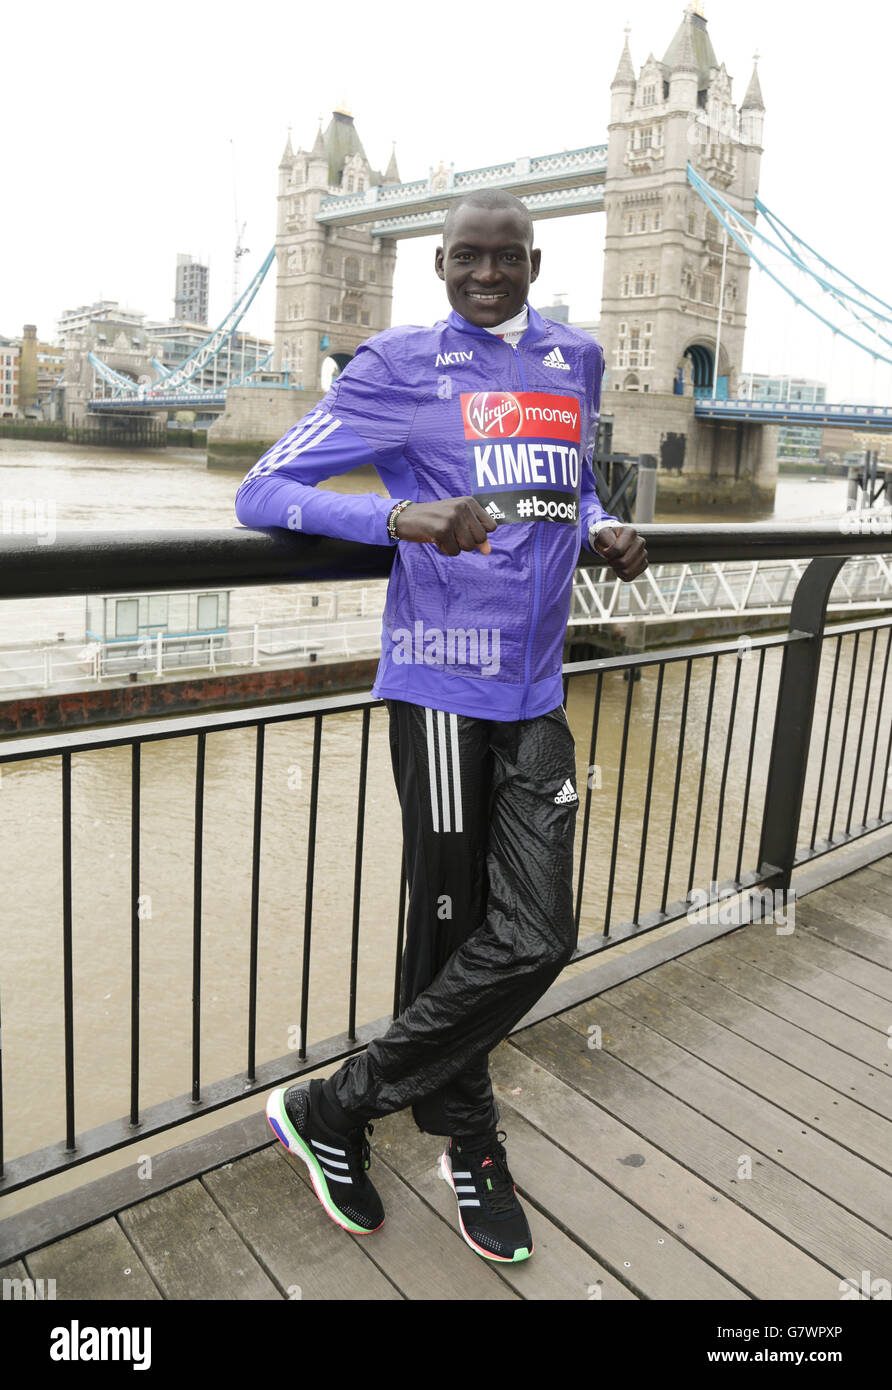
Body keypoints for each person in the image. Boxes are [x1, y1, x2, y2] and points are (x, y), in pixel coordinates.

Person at [235, 189, 648, 1264]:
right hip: (440, 690)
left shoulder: (577, 359)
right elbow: (262, 488)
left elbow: (567, 480)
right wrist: (394, 514)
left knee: (537, 933)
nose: (485, 275)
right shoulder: (394, 365)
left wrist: (601, 524)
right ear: (439, 265)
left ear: (534, 259)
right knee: (455, 930)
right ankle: (470, 1144)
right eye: (464, 258)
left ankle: (335, 1108)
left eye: (503, 258)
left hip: (538, 690)